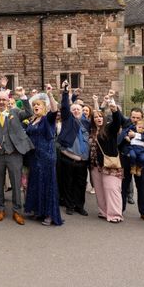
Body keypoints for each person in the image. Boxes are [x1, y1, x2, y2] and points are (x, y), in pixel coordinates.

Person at [0, 88, 33, 224]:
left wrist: (23, 96)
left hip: (14, 154)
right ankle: (0, 209)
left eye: (3, 100)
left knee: (16, 184)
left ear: (8, 101)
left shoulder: (15, 112)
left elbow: (29, 112)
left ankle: (17, 211)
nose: (1, 102)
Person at [24, 85, 63, 226]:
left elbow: (54, 110)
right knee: (35, 183)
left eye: (38, 105)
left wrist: (50, 95)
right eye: (34, 105)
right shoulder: (32, 120)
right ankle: (38, 210)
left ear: (44, 107)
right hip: (34, 157)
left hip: (46, 156)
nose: (35, 107)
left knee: (47, 184)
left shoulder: (48, 119)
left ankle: (49, 214)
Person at [56, 81, 91, 216]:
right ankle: (69, 205)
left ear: (83, 112)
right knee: (68, 183)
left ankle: (79, 205)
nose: (76, 111)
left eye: (79, 109)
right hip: (68, 158)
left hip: (82, 160)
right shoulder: (68, 120)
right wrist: (66, 92)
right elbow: (65, 106)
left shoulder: (87, 123)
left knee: (81, 184)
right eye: (74, 109)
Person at [89, 100, 124, 223]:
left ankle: (115, 214)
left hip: (110, 165)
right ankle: (103, 211)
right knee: (99, 189)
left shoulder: (109, 129)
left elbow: (117, 122)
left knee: (112, 189)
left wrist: (114, 110)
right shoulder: (92, 131)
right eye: (95, 117)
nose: (98, 118)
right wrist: (95, 103)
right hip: (95, 165)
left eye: (100, 116)